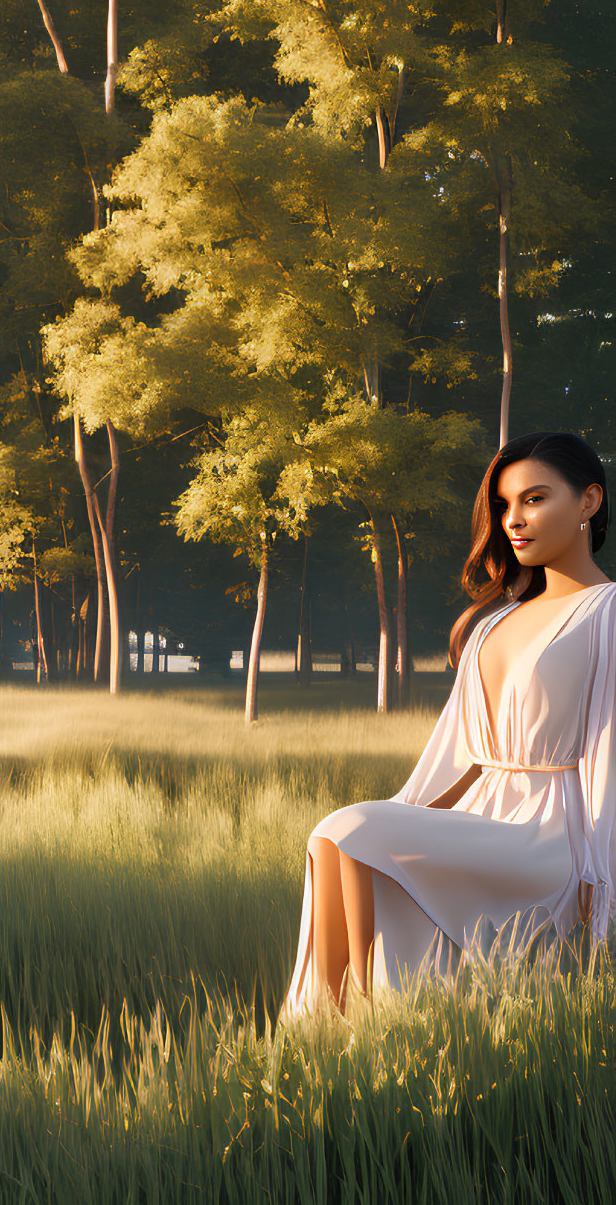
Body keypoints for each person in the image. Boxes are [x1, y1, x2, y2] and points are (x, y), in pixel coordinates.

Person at [280, 430, 616, 1021]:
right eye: (504, 505)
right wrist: (406, 816)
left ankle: (365, 1022)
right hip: (481, 815)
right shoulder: (493, 622)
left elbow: (606, 753)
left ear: (589, 502)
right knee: (333, 837)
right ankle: (327, 1033)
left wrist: (598, 874)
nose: (515, 520)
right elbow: (458, 755)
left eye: (535, 499)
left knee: (356, 831)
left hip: (552, 831)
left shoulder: (607, 613)